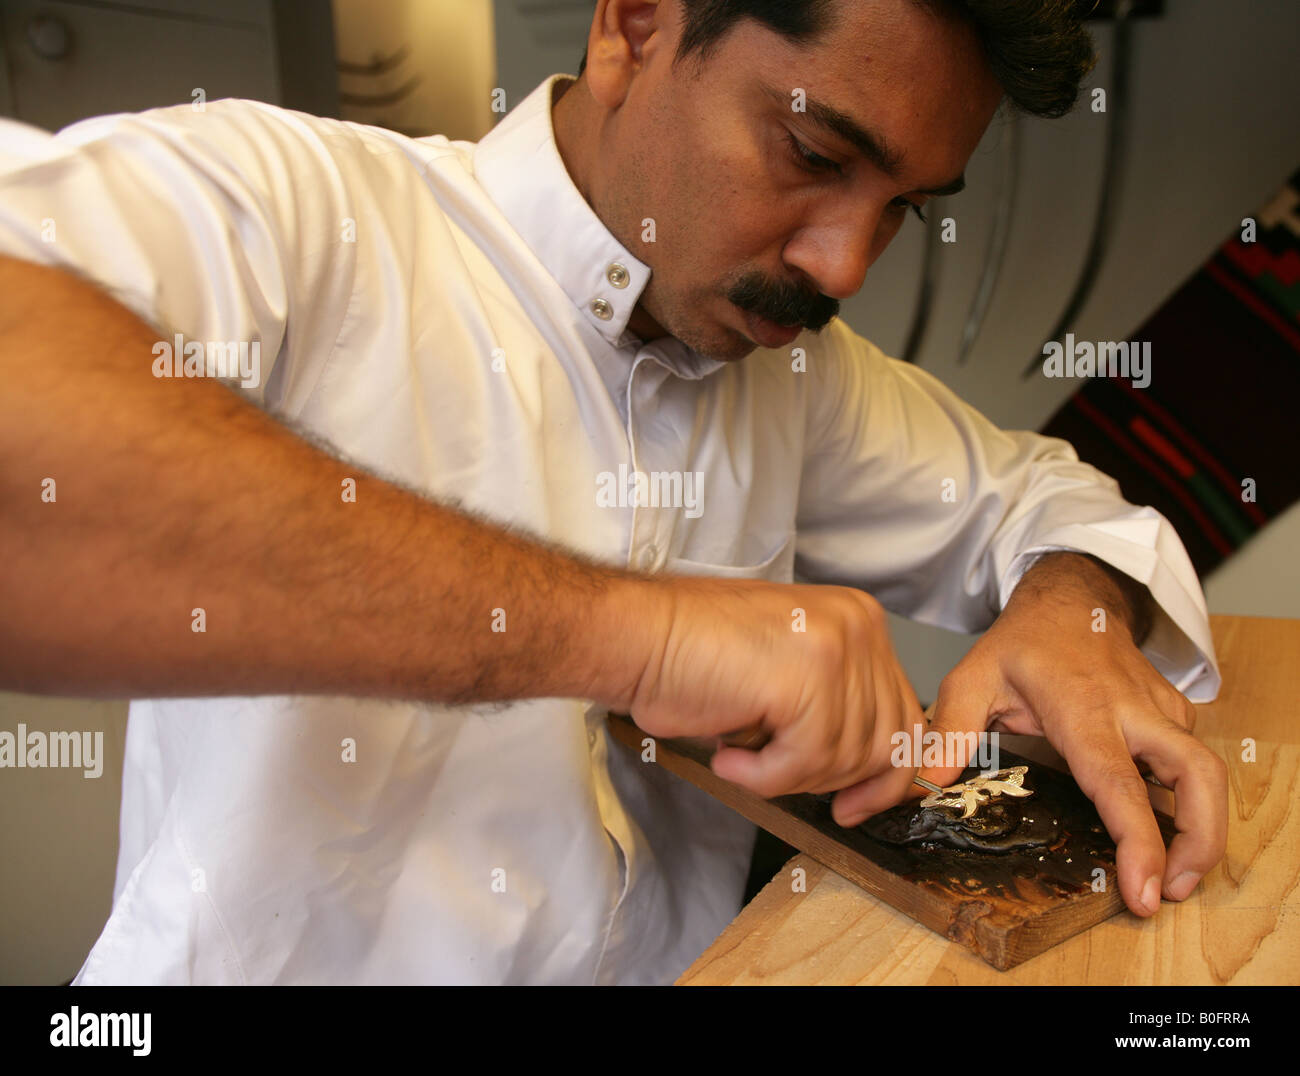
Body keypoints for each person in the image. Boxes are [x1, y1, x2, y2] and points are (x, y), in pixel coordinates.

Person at [0, 0, 1226, 985]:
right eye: (813, 155)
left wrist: (1070, 612)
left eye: (901, 207)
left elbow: (1045, 499)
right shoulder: (295, 218)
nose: (845, 263)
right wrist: (648, 635)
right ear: (633, 27)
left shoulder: (797, 381)